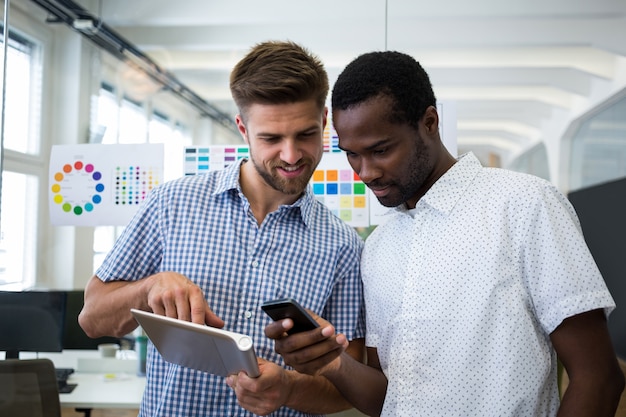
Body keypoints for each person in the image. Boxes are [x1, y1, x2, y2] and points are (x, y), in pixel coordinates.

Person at [266, 50, 625, 417]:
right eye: (351, 154)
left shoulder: (524, 205)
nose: (366, 172)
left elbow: (598, 378)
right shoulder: (377, 247)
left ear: (430, 122)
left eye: (380, 150)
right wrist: (333, 363)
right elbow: (390, 400)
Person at [78, 40, 365, 417]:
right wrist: (149, 288)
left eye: (306, 134)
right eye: (271, 138)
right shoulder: (172, 204)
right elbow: (92, 318)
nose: (292, 155)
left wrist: (289, 388)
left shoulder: (343, 245)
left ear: (324, 122)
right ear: (243, 128)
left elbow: (348, 388)